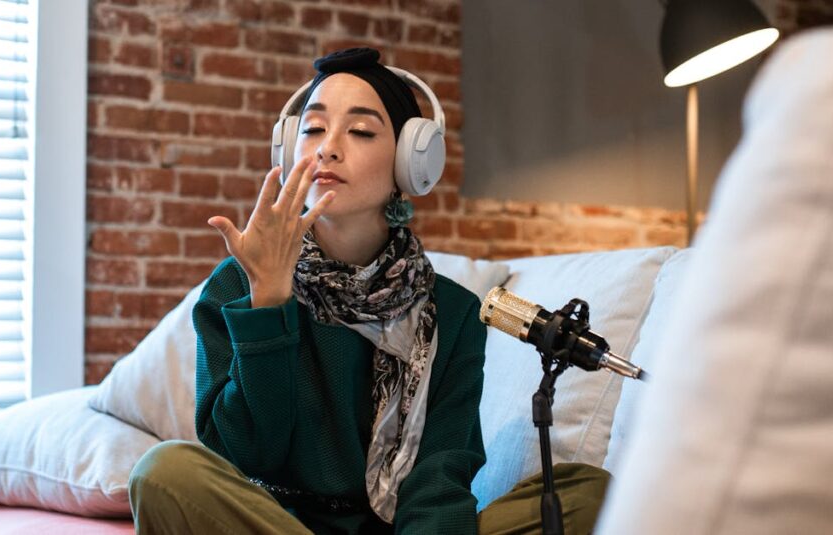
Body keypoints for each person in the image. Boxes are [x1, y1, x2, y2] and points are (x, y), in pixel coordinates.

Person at [128, 47, 609, 535]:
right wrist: (268, 302)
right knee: (164, 473)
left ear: (410, 162)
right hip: (278, 527)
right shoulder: (238, 283)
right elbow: (246, 453)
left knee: (587, 493)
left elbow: (439, 481)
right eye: (313, 129)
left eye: (359, 131)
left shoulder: (454, 312)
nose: (327, 148)